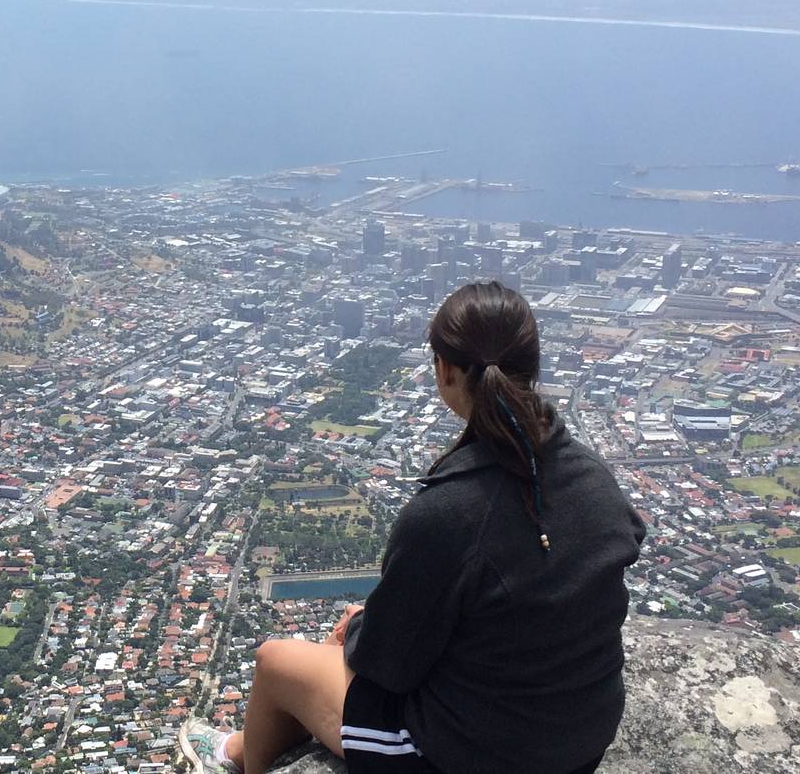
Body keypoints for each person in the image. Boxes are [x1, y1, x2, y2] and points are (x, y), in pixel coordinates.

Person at [181, 281, 646, 774]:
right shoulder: (592, 475)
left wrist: (363, 625)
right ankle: (234, 749)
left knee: (276, 661)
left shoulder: (449, 511)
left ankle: (232, 758)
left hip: (479, 753)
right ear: (531, 365)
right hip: (581, 735)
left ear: (444, 369)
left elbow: (387, 666)